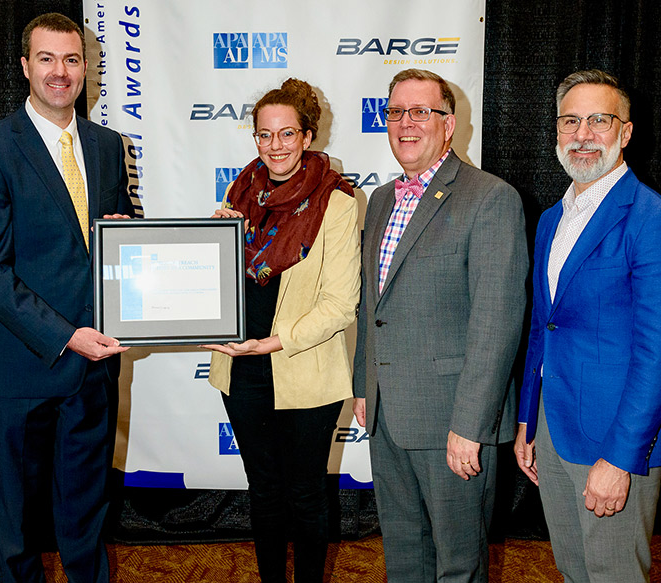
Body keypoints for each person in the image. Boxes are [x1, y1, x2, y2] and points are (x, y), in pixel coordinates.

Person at [0, 13, 135, 583]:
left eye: (73, 59)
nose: (62, 72)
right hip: (20, 369)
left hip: (92, 368)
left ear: (87, 68)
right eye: (49, 59)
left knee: (86, 511)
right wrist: (65, 336)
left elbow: (116, 239)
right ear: (26, 67)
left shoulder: (108, 146)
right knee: (16, 524)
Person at [514, 69, 661, 582]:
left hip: (616, 440)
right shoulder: (552, 218)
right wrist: (529, 420)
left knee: (614, 575)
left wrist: (620, 458)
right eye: (571, 121)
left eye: (599, 120)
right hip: (553, 431)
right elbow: (542, 327)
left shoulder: (656, 222)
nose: (583, 133)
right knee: (574, 572)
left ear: (627, 132)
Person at [352, 69, 528, 582]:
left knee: (458, 563)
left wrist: (470, 427)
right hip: (387, 415)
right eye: (395, 112)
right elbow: (373, 305)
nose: (405, 124)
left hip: (453, 422)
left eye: (420, 112)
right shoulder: (382, 199)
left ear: (448, 125)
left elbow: (496, 324)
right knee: (404, 557)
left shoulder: (490, 198)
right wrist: (367, 384)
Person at [203, 78, 360, 583]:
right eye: (264, 135)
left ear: (308, 136)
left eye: (287, 134)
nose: (275, 145)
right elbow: (225, 282)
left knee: (307, 495)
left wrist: (273, 342)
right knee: (264, 493)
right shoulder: (238, 193)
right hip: (241, 368)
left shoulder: (336, 202)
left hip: (302, 369)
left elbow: (340, 304)